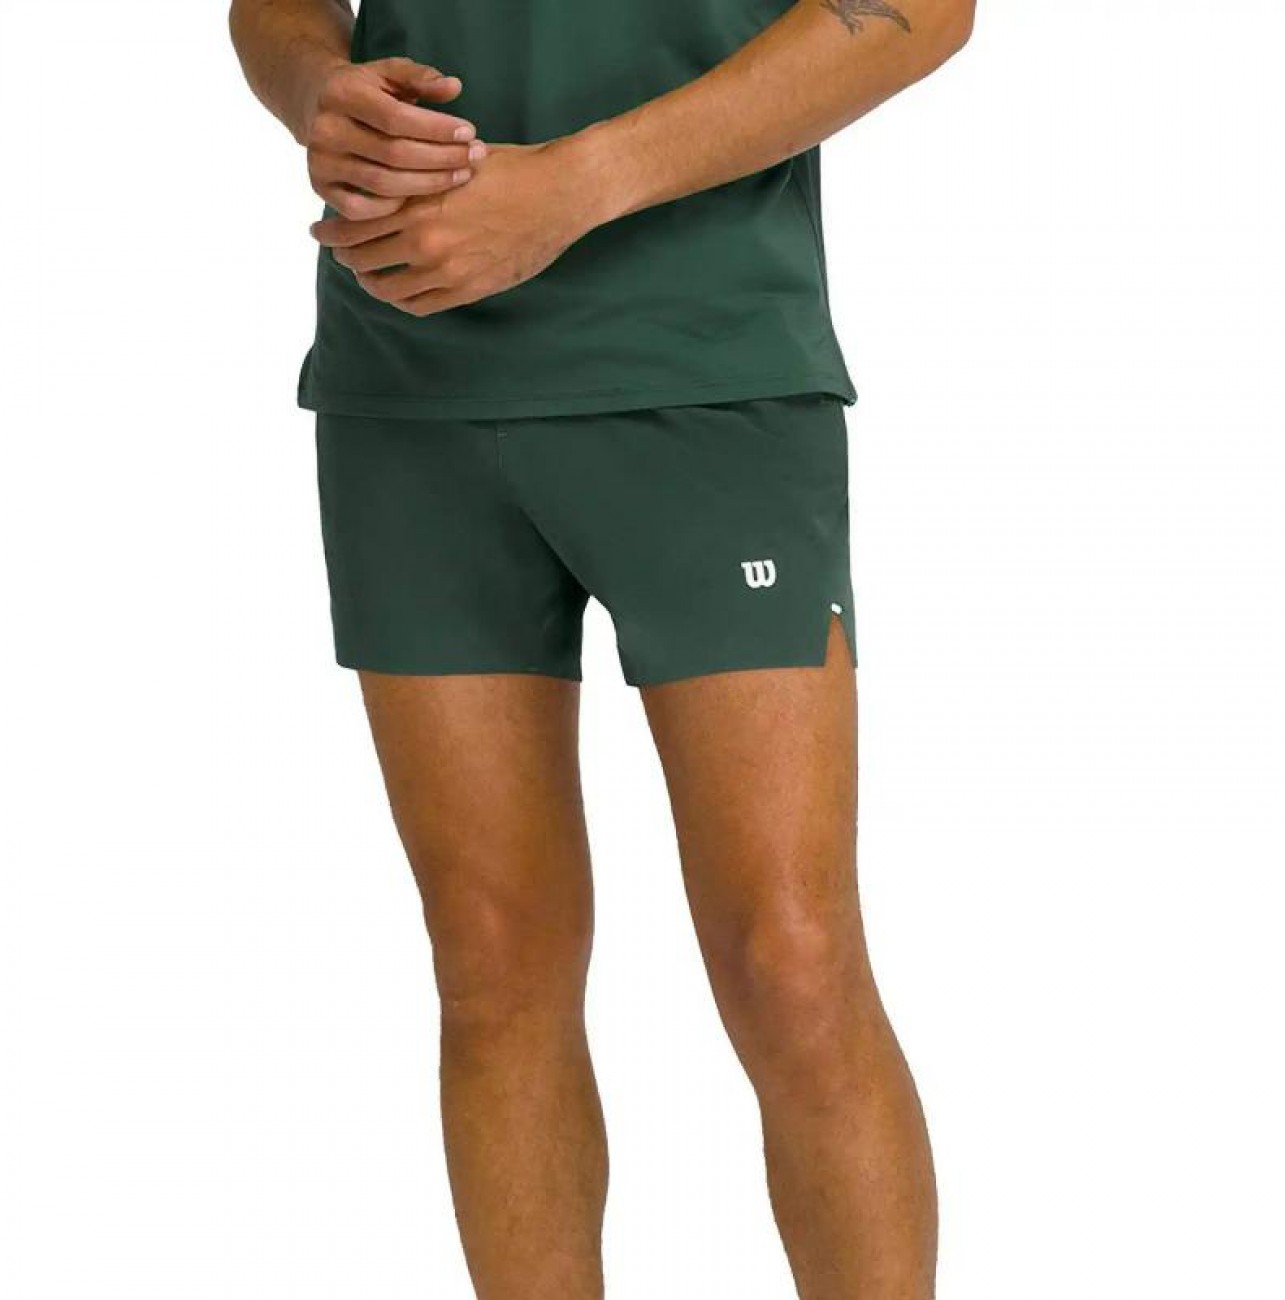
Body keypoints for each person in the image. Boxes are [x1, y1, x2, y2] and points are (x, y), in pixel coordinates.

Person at [230, 0, 973, 1293]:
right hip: (410, 374)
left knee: (789, 961)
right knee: (490, 961)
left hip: (708, 370)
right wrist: (316, 94)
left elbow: (923, 11)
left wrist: (575, 186)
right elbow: (273, 8)